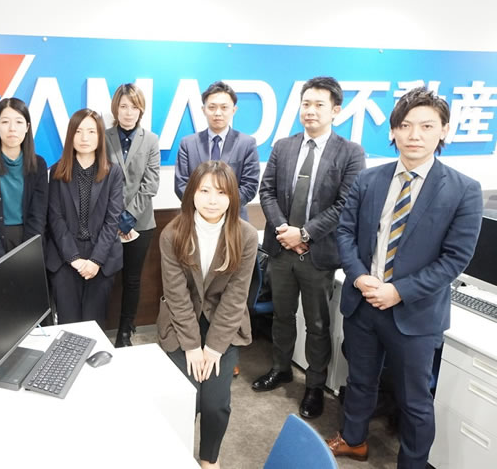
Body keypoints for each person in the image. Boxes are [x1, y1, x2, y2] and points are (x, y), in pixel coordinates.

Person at [325, 87, 482, 468]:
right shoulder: (369, 179)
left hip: (415, 313)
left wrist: (398, 291)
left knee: (414, 400)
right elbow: (345, 233)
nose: (415, 135)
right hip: (363, 302)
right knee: (360, 381)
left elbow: (455, 259)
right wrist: (358, 278)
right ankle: (354, 440)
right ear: (393, 131)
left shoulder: (463, 190)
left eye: (427, 126)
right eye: (406, 126)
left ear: (443, 130)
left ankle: (411, 464)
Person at [251, 76, 365, 419]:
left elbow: (345, 204)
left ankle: (314, 385)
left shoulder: (350, 152)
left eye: (319, 105)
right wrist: (284, 230)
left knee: (316, 324)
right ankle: (281, 367)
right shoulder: (283, 146)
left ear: (336, 110)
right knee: (281, 316)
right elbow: (266, 191)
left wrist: (304, 234)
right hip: (281, 249)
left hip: (318, 255)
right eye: (306, 104)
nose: (310, 111)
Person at [157, 160, 258, 469]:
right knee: (186, 399)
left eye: (221, 192)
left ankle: (209, 459)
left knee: (215, 404)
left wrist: (212, 348)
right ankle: (176, 455)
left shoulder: (246, 235)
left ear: (232, 197)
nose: (212, 200)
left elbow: (236, 297)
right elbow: (176, 295)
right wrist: (191, 346)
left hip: (224, 324)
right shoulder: (172, 233)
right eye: (204, 191)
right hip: (181, 322)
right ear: (192, 193)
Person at [46, 108, 124, 327]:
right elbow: (55, 218)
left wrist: (96, 260)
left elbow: (112, 220)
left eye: (91, 132)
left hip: (101, 256)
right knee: (68, 324)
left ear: (100, 136)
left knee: (93, 324)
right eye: (78, 131)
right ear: (71, 135)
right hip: (65, 256)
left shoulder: (113, 172)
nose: (84, 138)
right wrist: (73, 258)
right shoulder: (57, 171)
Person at [105, 83, 160, 346]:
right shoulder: (103, 136)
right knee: (105, 276)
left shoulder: (151, 140)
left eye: (134, 107)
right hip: (107, 222)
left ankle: (125, 331)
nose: (128, 112)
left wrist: (129, 216)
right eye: (124, 106)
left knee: (132, 280)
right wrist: (115, 217)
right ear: (115, 108)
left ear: (141, 110)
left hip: (140, 223)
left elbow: (151, 184)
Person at [0, 97, 48, 273]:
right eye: (5, 122)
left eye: (19, 122)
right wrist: (3, 261)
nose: (12, 128)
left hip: (30, 245)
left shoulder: (39, 165)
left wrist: (26, 254)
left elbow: (38, 216)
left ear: (27, 127)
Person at [175, 81, 260, 221]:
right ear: (203, 110)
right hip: (195, 219)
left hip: (234, 219)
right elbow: (181, 185)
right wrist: (204, 210)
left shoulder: (247, 144)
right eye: (212, 107)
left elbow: (250, 186)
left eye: (224, 107)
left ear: (234, 110)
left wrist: (219, 208)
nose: (218, 113)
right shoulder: (188, 144)